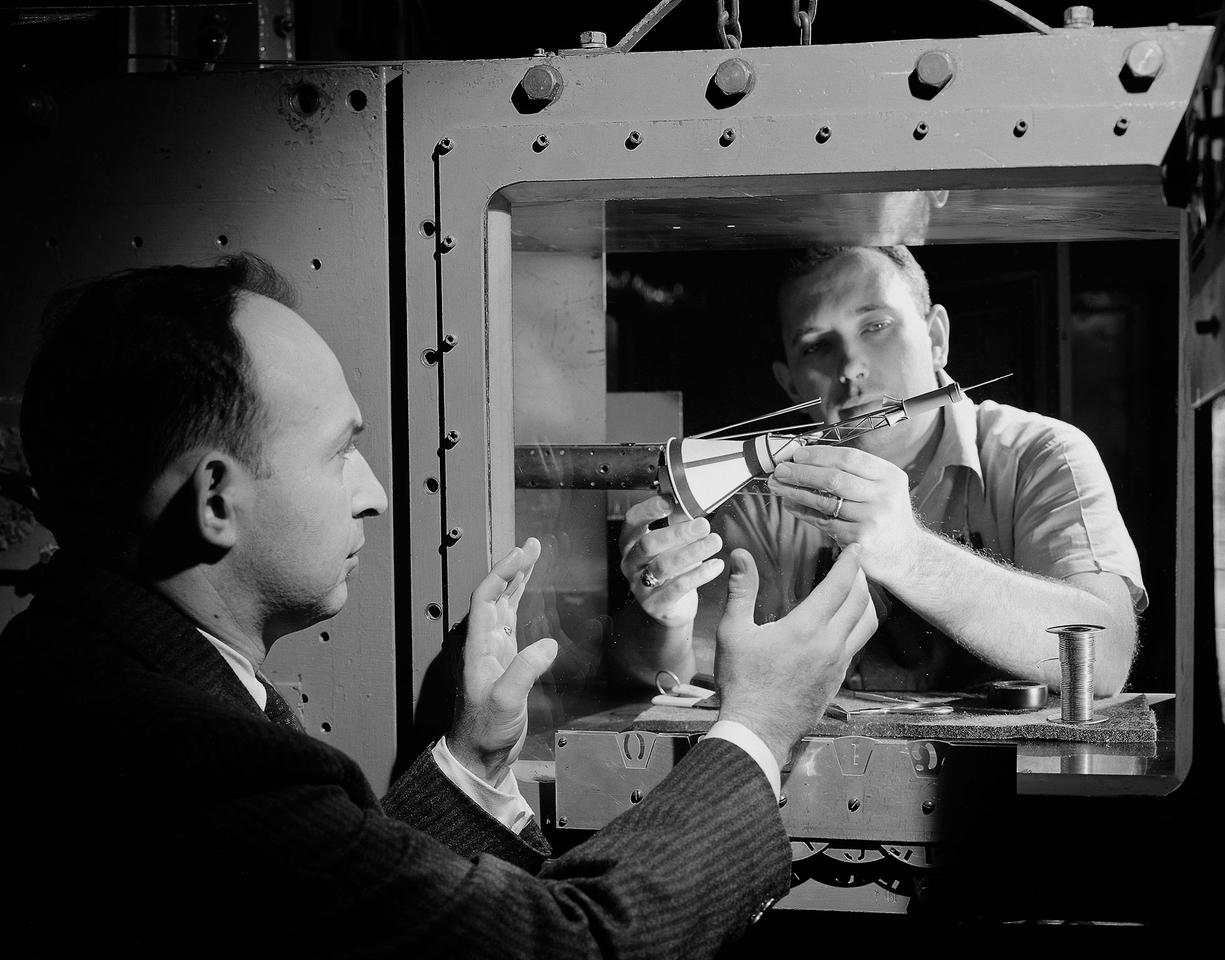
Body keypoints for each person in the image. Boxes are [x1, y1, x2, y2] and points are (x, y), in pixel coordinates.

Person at [4, 254, 878, 957]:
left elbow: (348, 923)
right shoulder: (169, 754)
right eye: (341, 452)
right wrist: (760, 727)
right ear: (216, 503)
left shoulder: (99, 672)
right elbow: (570, 947)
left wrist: (468, 759)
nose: (376, 493)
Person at [617, 244, 1146, 696]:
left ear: (936, 337)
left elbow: (1107, 653)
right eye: (816, 347)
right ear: (791, 385)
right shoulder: (762, 494)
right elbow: (679, 676)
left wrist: (909, 553)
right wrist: (665, 617)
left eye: (876, 325)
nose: (850, 368)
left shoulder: (1041, 454)